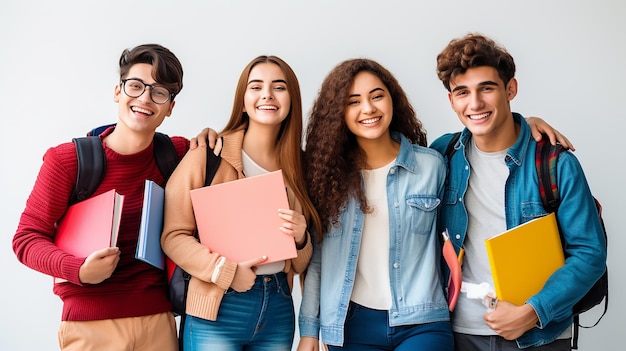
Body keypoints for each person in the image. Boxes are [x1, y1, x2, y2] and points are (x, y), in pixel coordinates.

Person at [429, 33, 606, 350]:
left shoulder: (556, 163)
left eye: (487, 88)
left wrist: (533, 311)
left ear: (510, 89)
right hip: (459, 333)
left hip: (540, 334)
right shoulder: (443, 155)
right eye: (462, 92)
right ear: (451, 101)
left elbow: (590, 254)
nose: (475, 103)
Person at [13, 44, 187, 350]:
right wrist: (77, 269)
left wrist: (212, 134)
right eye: (136, 86)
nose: (145, 99)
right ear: (117, 92)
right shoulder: (68, 161)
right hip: (89, 326)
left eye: (159, 92)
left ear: (170, 106)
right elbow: (26, 239)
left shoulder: (176, 154)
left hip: (159, 323)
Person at [161, 55, 321, 351]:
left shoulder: (302, 166)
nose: (267, 95)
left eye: (279, 87)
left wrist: (301, 240)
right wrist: (226, 271)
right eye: (256, 86)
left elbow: (300, 263)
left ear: (292, 99)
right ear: (243, 99)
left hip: (278, 308)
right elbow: (173, 236)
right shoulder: (208, 153)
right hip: (217, 307)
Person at [297, 58, 453, 351]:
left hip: (423, 322)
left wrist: (526, 124)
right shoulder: (326, 177)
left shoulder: (431, 165)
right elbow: (317, 261)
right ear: (338, 113)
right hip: (351, 325)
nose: (368, 108)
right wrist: (309, 331)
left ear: (392, 99)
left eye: (377, 96)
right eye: (353, 101)